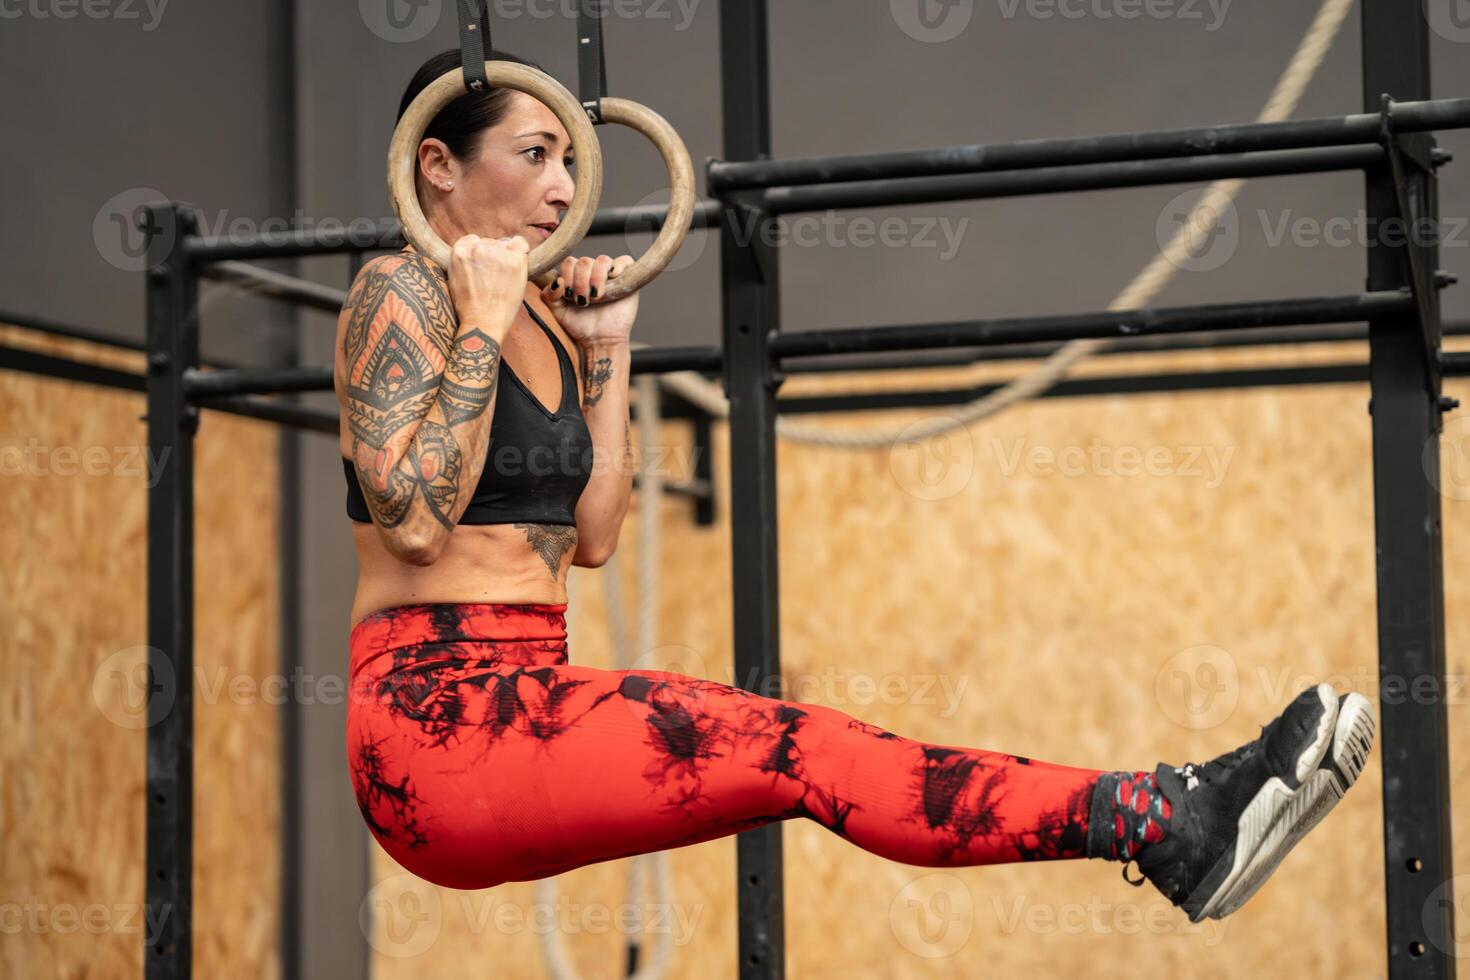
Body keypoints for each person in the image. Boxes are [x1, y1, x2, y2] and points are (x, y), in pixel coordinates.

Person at [336, 48, 1375, 924]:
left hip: (529, 702)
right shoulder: (402, 291)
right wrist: (478, 313)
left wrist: (608, 350)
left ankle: (1173, 822)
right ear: (437, 163)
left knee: (805, 750)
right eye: (535, 156)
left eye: (570, 159)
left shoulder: (542, 319)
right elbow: (418, 525)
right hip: (429, 729)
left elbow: (595, 535)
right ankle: (1165, 817)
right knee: (801, 746)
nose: (566, 189)